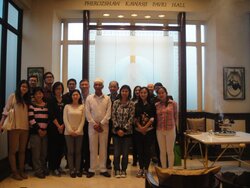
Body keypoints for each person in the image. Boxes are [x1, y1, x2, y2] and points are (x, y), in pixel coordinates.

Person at [0, 80, 30, 180]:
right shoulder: (13, 96)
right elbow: (6, 110)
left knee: (22, 150)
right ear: (19, 87)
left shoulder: (27, 99)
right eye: (23, 86)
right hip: (14, 127)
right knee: (12, 150)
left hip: (25, 127)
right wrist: (1, 123)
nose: (24, 88)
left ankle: (21, 170)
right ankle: (14, 171)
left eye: (26, 87)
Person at [85, 78, 111, 178]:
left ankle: (103, 169)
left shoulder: (107, 98)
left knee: (103, 147)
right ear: (93, 86)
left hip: (104, 126)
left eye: (99, 85)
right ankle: (92, 169)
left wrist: (101, 123)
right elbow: (87, 112)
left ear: (103, 86)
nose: (97, 86)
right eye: (96, 85)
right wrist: (94, 123)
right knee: (93, 148)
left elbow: (108, 113)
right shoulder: (89, 98)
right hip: (92, 127)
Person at [112, 85, 134, 178]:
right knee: (116, 153)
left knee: (125, 153)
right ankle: (117, 169)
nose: (124, 93)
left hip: (127, 133)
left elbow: (131, 118)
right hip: (116, 132)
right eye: (123, 91)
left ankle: (124, 169)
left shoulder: (131, 103)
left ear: (129, 93)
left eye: (126, 91)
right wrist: (117, 129)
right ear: (120, 92)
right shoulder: (116, 102)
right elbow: (113, 116)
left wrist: (124, 129)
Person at [134, 87, 156, 177]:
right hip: (138, 131)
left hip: (149, 131)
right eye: (141, 93)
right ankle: (140, 168)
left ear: (148, 94)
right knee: (140, 150)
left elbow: (153, 118)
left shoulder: (152, 104)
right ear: (139, 94)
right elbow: (135, 118)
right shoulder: (136, 105)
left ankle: (146, 169)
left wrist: (145, 128)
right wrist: (140, 128)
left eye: (145, 92)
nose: (143, 94)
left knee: (147, 151)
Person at [63, 89, 85, 178]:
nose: (75, 96)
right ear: (71, 96)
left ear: (79, 96)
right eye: (73, 95)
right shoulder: (67, 106)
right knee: (70, 152)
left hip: (80, 132)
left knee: (78, 152)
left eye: (77, 94)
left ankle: (78, 169)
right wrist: (70, 130)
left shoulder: (82, 106)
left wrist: (79, 130)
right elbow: (65, 119)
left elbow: (83, 120)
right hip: (68, 133)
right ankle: (72, 170)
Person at [28, 87, 49, 178]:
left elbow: (49, 119)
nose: (39, 95)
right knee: (36, 153)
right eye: (37, 94)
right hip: (35, 133)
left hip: (45, 133)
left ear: (43, 94)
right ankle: (38, 170)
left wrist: (45, 130)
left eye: (40, 93)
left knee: (44, 152)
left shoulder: (47, 105)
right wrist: (39, 130)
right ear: (34, 95)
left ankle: (43, 168)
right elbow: (31, 119)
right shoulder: (32, 106)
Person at [155, 86, 177, 168]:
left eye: (162, 93)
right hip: (159, 130)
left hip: (170, 129)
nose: (161, 94)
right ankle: (164, 169)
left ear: (166, 93)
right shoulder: (156, 105)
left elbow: (176, 116)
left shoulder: (173, 103)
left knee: (170, 151)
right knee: (162, 151)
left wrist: (175, 128)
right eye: (159, 93)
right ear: (157, 95)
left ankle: (170, 169)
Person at [47, 82, 66, 177]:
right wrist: (58, 126)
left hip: (63, 127)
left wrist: (62, 125)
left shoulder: (65, 99)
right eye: (57, 88)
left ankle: (58, 166)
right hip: (53, 128)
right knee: (53, 148)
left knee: (60, 148)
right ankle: (53, 167)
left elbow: (66, 114)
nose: (59, 90)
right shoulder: (50, 100)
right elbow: (51, 114)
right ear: (54, 90)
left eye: (60, 88)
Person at [107, 80, 119, 169]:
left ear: (118, 88)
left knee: (117, 145)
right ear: (108, 88)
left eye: (114, 87)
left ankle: (116, 163)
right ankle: (107, 162)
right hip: (107, 124)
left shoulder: (121, 97)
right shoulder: (106, 97)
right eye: (111, 87)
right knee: (106, 144)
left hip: (117, 125)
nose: (112, 88)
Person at [79, 79, 90, 174]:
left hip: (88, 124)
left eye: (86, 84)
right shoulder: (76, 97)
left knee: (87, 145)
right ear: (80, 86)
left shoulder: (92, 97)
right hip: (78, 124)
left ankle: (87, 166)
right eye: (82, 84)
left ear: (89, 86)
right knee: (79, 146)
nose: (84, 86)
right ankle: (79, 166)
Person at [131, 85, 141, 166]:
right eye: (136, 90)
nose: (137, 92)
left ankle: (141, 159)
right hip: (133, 125)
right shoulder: (132, 101)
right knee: (134, 143)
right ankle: (134, 160)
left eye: (139, 90)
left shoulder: (144, 101)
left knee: (141, 144)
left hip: (143, 125)